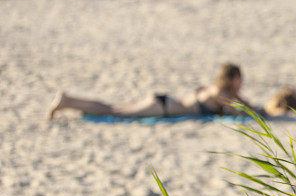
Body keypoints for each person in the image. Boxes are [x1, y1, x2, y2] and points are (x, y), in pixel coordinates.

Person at [47, 63, 258, 119]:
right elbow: (240, 111)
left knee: (113, 108)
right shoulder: (219, 93)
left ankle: (68, 101)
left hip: (163, 102)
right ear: (232, 79)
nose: (242, 82)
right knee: (112, 112)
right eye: (240, 79)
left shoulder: (215, 90)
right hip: (162, 108)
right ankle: (66, 102)